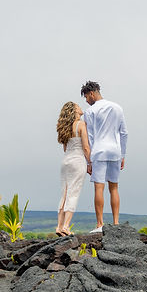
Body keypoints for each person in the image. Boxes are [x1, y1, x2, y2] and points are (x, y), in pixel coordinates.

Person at [80, 80, 127, 233]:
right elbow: (124, 133)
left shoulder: (90, 112)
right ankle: (115, 222)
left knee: (98, 187)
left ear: (92, 93)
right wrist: (123, 154)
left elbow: (91, 136)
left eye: (86, 97)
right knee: (114, 187)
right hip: (115, 150)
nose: (87, 101)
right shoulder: (117, 107)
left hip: (99, 151)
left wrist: (89, 160)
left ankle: (100, 224)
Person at [55, 101, 91, 236]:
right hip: (77, 160)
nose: (80, 107)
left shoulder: (65, 127)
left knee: (64, 193)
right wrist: (90, 163)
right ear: (74, 110)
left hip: (65, 162)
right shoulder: (81, 125)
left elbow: (65, 148)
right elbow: (86, 148)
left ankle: (59, 226)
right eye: (78, 106)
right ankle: (66, 226)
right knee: (73, 192)